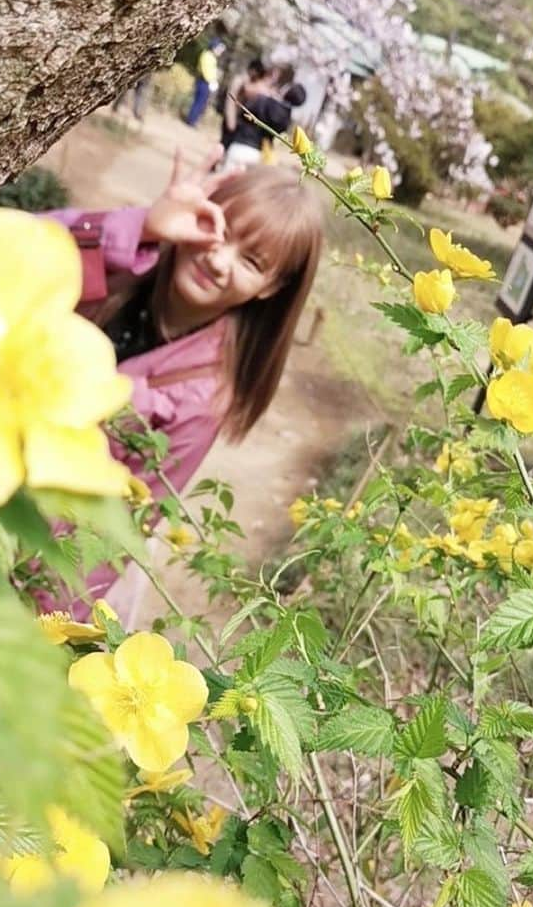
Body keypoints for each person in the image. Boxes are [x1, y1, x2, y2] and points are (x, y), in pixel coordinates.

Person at [41, 149, 323, 623]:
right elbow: (1, 248)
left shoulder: (203, 400)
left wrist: (33, 616)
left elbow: (113, 528)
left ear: (271, 288)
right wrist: (143, 226)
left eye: (251, 261)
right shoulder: (126, 261)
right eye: (217, 228)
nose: (217, 258)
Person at [223, 68, 308, 172]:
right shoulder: (286, 120)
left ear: (287, 90)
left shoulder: (264, 102)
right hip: (256, 154)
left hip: (239, 145)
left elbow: (243, 111)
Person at [184, 36, 225, 126]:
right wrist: (211, 81)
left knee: (201, 102)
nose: (220, 52)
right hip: (204, 82)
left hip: (207, 82)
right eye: (219, 49)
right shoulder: (207, 55)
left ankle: (193, 120)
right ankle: (191, 121)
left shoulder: (211, 57)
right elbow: (206, 70)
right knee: (199, 102)